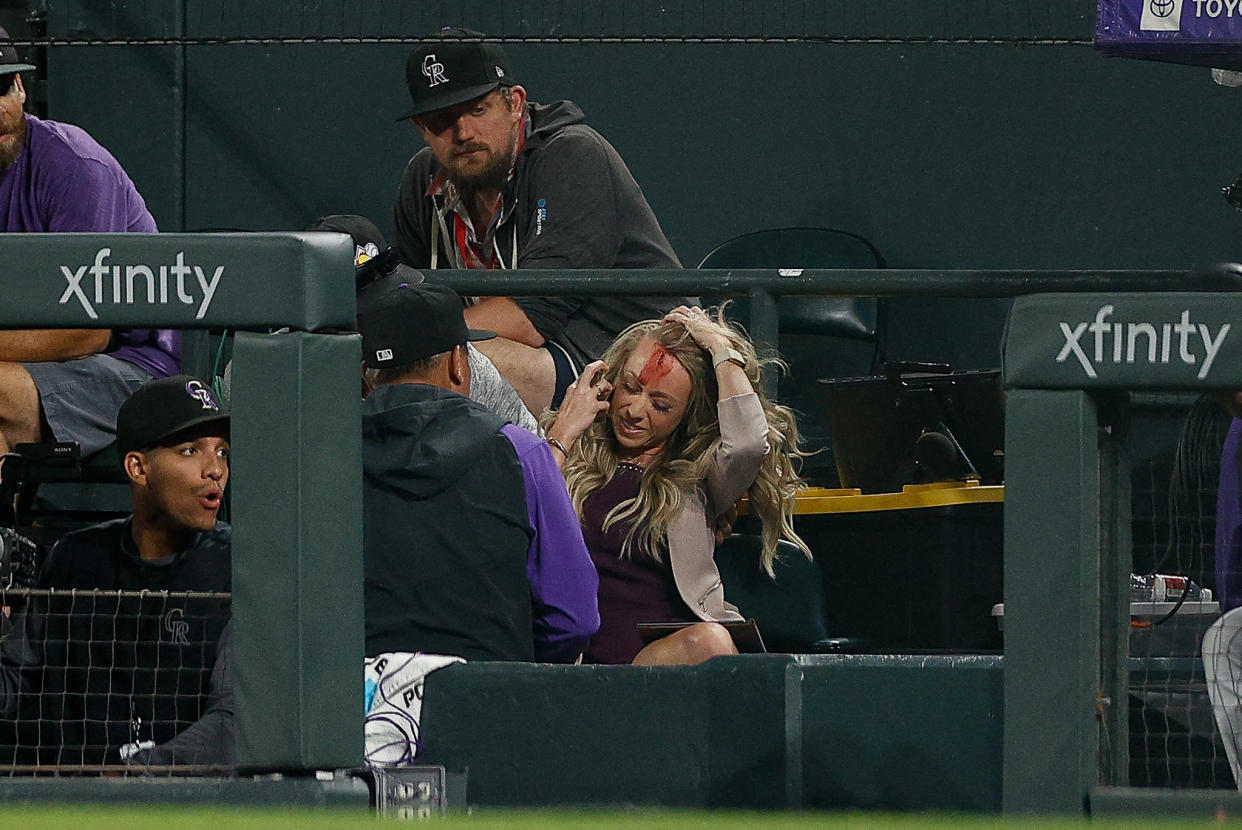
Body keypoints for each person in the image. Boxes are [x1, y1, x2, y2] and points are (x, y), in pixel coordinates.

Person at [392, 28, 694, 415]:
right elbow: (409, 296)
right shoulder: (422, 180)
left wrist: (409, 339)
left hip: (636, 367)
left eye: (478, 110)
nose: (464, 132)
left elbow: (531, 319)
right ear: (422, 128)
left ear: (514, 103)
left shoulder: (572, 156)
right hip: (540, 359)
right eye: (441, 121)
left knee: (433, 362)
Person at [542, 305, 810, 665]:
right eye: (630, 387)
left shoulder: (698, 477)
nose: (634, 410)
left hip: (659, 659)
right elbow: (521, 510)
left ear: (687, 413)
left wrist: (720, 348)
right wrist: (563, 432)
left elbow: (748, 442)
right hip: (573, 655)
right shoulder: (568, 450)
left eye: (660, 404)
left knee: (711, 643)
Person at [357, 281, 598, 663]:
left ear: (367, 374)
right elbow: (573, 621)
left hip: (358, 709)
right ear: (458, 362)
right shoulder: (524, 452)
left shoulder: (325, 459)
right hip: (487, 704)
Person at [0, 374, 232, 767]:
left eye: (222, 451)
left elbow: (235, 721)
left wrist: (138, 777)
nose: (215, 469)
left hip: (189, 812)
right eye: (191, 450)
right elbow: (13, 690)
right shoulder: (75, 559)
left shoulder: (237, 564)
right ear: (138, 468)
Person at [0, 28, 178, 458]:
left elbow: (88, 331)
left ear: (20, 88)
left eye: (2, 88)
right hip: (28, 364)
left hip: (133, 368)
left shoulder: (74, 165)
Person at [308, 213, 538, 433]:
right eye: (364, 312)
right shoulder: (288, 367)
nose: (385, 318)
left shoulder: (447, 357)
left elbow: (530, 454)